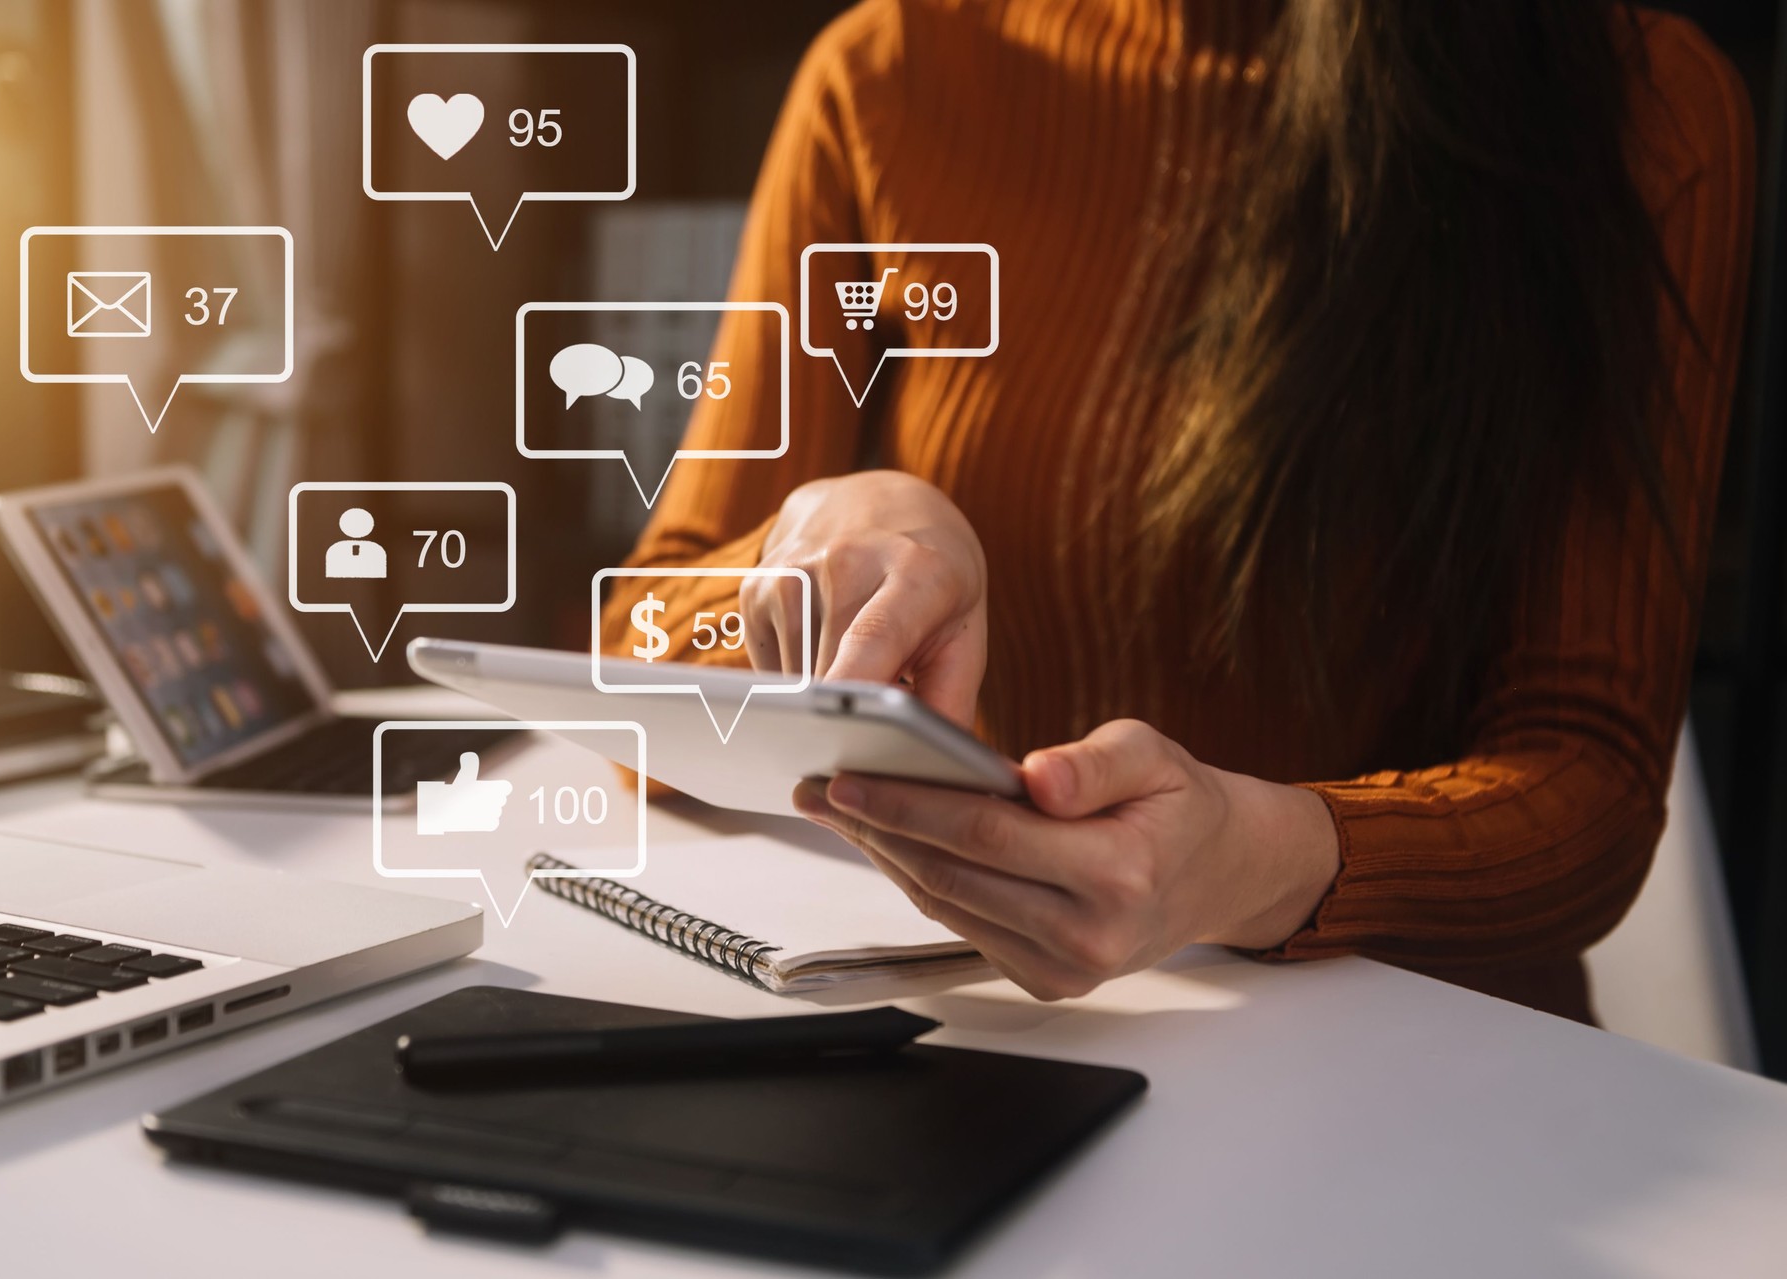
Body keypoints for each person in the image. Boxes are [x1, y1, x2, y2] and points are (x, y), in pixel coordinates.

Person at [601, 0, 1754, 1019]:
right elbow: (629, 651)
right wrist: (831, 534)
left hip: (1423, 1095)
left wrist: (1254, 858)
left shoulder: (1639, 104)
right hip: (994, 1052)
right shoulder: (890, 64)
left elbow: (1589, 784)